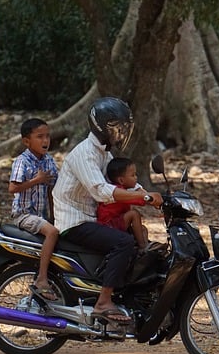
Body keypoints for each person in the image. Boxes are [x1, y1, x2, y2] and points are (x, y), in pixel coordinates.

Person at [52, 97, 163, 323]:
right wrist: (143, 197)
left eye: (123, 128)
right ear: (102, 127)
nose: (121, 133)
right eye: (117, 128)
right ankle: (103, 302)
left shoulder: (105, 154)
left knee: (137, 240)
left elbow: (123, 183)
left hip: (92, 218)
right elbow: (102, 191)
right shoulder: (85, 153)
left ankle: (126, 295)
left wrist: (152, 196)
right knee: (123, 242)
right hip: (75, 222)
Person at [9, 118, 60, 304]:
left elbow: (53, 190)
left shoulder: (48, 161)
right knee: (52, 233)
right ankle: (42, 278)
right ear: (26, 141)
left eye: (47, 136)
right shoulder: (22, 161)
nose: (45, 140)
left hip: (42, 216)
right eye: (40, 137)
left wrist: (56, 217)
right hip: (23, 215)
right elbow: (13, 189)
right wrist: (36, 180)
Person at [97, 157, 151, 252]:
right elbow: (140, 200)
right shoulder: (119, 192)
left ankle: (142, 250)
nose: (136, 177)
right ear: (121, 180)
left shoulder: (124, 190)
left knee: (143, 230)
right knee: (133, 214)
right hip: (109, 225)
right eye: (133, 175)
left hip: (118, 221)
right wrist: (150, 199)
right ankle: (143, 247)